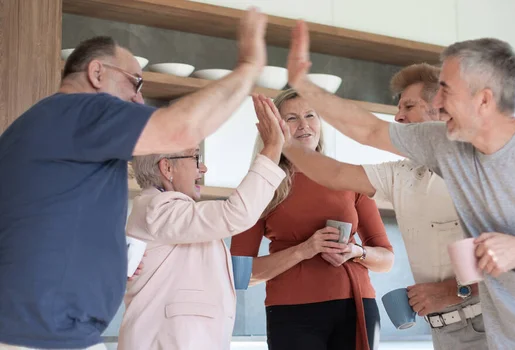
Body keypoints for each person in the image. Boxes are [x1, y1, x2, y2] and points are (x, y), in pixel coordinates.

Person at [285, 21, 515, 349]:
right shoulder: (445, 145)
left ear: (484, 99)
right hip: (505, 339)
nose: (436, 102)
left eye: (446, 90)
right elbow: (368, 130)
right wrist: (301, 88)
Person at [0, 8, 268, 349]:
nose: (139, 99)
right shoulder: (82, 109)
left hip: (41, 331)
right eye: (135, 82)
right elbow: (182, 130)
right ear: (97, 72)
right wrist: (247, 68)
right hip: (45, 335)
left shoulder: (37, 127)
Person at [278, 63, 487, 350]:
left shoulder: (477, 167)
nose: (398, 117)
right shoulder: (403, 174)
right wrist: (282, 137)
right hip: (444, 332)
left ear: (441, 109)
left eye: (409, 106)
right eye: (397, 108)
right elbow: (335, 174)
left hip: (489, 324)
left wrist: (457, 291)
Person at [230, 91, 395, 350]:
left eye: (310, 115)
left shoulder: (350, 177)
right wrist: (305, 250)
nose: (304, 125)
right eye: (292, 118)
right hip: (291, 313)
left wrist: (355, 252)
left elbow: (386, 259)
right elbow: (241, 274)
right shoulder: (261, 185)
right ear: (276, 127)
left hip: (356, 305)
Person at [117, 103, 286, 350]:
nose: (202, 168)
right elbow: (236, 213)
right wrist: (272, 148)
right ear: (167, 168)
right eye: (195, 157)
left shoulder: (166, 211)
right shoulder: (159, 208)